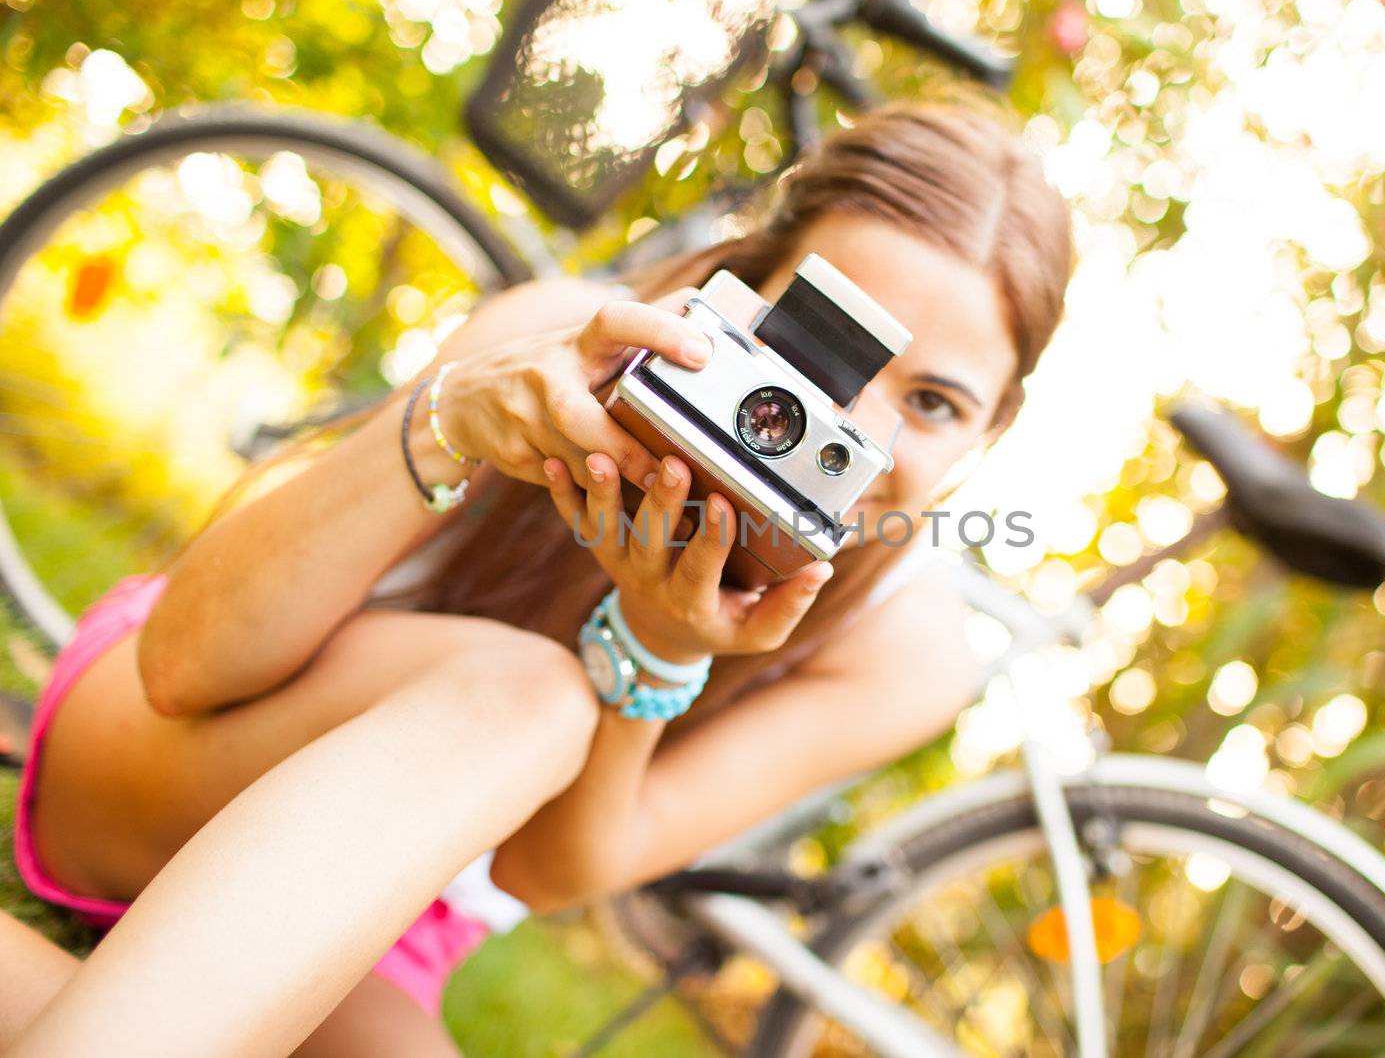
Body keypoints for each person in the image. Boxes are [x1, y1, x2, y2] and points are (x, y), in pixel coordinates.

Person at [11, 90, 1076, 1055]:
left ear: (995, 426)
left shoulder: (907, 648)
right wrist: (448, 422)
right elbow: (189, 662)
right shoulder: (557, 347)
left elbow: (537, 872)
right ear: (741, 288)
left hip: (393, 918)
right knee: (534, 696)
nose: (850, 429)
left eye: (933, 403)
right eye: (823, 352)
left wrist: (657, 643)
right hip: (173, 754)